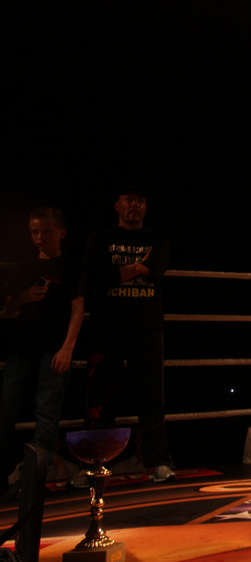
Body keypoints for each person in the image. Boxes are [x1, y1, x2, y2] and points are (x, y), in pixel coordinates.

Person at [81, 185, 176, 482]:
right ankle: (95, 463)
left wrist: (119, 273)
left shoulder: (158, 240)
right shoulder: (99, 239)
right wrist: (138, 267)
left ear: (145, 207)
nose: (134, 205)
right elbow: (98, 277)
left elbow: (156, 268)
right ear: (117, 205)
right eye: (129, 200)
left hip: (147, 325)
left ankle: (158, 462)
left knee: (151, 397)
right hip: (106, 325)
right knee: (100, 397)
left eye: (140, 201)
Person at [0, 207, 84, 496]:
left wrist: (67, 348)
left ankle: (33, 479)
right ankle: (5, 475)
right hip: (22, 348)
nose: (39, 237)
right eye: (34, 231)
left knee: (47, 414)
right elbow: (8, 307)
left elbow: (78, 307)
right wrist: (22, 298)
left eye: (45, 231)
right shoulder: (26, 265)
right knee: (5, 411)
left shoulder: (70, 266)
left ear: (61, 233)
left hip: (54, 349)